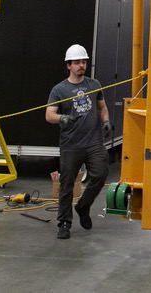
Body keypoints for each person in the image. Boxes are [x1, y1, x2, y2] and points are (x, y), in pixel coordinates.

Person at [46, 44, 111, 240]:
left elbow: (102, 107)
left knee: (100, 174)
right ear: (68, 65)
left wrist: (106, 121)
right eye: (77, 62)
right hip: (71, 144)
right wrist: (62, 119)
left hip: (94, 142)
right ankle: (64, 223)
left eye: (83, 62)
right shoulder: (59, 90)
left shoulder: (94, 84)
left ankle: (83, 206)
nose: (81, 65)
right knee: (66, 185)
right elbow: (49, 115)